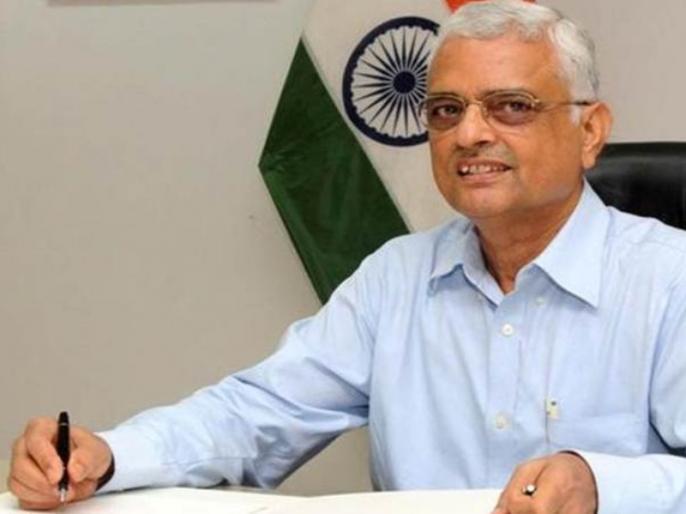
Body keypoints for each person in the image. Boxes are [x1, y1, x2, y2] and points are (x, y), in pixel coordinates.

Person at [8, 1, 686, 513]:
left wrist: (602, 484)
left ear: (590, 131)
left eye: (510, 106)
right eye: (445, 110)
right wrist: (108, 454)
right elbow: (252, 416)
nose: (469, 134)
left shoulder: (668, 279)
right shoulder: (396, 277)